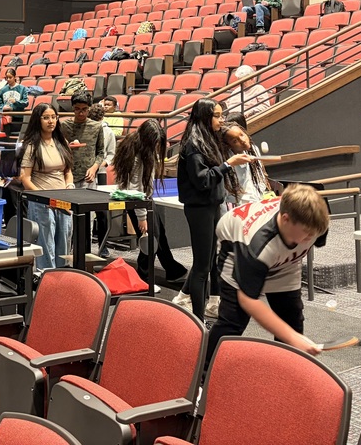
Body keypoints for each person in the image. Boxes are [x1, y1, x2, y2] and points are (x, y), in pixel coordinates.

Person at [205, 183, 330, 364]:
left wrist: (292, 334)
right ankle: (204, 373)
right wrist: (293, 338)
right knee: (233, 321)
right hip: (235, 245)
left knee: (292, 318)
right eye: (307, 234)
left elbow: (310, 231)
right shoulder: (255, 246)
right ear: (285, 219)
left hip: (284, 262)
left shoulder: (317, 224)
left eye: (315, 234)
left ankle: (285, 372)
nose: (310, 239)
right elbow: (249, 301)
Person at [175, 98, 254, 320]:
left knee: (209, 262)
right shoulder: (193, 144)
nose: (221, 120)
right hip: (199, 209)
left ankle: (203, 313)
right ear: (204, 117)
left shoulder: (206, 139)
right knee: (201, 268)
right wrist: (228, 164)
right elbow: (203, 180)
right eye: (217, 116)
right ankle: (198, 320)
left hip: (210, 206)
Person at [114, 120, 187, 291]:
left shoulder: (135, 145)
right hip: (138, 201)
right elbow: (135, 188)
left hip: (142, 199)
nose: (157, 146)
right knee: (150, 239)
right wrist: (142, 217)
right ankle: (144, 279)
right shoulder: (136, 154)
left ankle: (173, 270)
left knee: (159, 235)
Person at [19, 103, 75, 271]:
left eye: (53, 117)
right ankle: (46, 281)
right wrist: (44, 198)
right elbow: (25, 179)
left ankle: (62, 280)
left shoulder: (61, 141)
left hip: (63, 200)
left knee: (64, 243)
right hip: (41, 201)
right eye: (46, 118)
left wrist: (70, 186)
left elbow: (68, 172)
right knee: (46, 244)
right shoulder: (31, 145)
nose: (51, 121)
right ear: (38, 120)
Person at [220, 122, 274, 206]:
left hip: (258, 199)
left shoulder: (253, 149)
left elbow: (260, 178)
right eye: (235, 141)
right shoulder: (226, 160)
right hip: (239, 205)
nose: (242, 141)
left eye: (242, 135)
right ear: (228, 146)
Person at [59, 92, 104, 190]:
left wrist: (94, 168)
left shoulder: (96, 127)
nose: (81, 113)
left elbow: (101, 152)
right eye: (77, 109)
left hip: (88, 176)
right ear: (72, 108)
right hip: (67, 175)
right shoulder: (64, 126)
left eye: (84, 109)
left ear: (89, 109)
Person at [88, 102, 116, 256]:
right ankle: (82, 244)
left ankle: (102, 246)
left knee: (102, 213)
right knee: (86, 211)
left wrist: (101, 164)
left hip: (101, 173)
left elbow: (111, 154)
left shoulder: (108, 132)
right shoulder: (85, 130)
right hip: (87, 173)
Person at [0, 67, 29, 139]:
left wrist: (16, 102)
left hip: (18, 118)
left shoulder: (22, 89)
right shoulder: (3, 90)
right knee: (6, 137)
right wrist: (3, 107)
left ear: (15, 77)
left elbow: (26, 102)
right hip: (6, 118)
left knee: (16, 137)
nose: (8, 79)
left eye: (10, 77)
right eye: (6, 78)